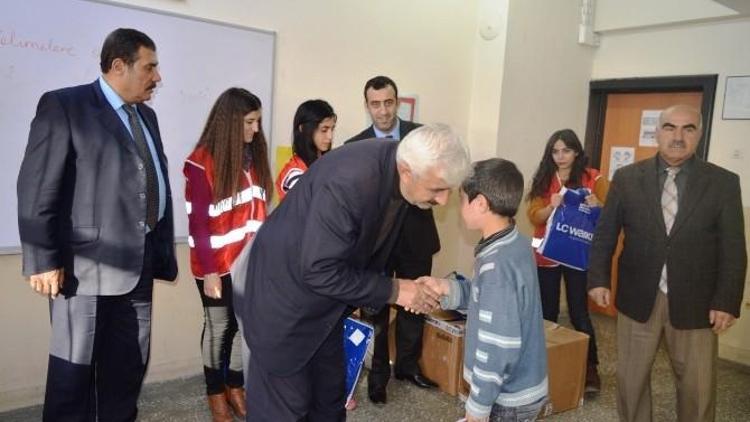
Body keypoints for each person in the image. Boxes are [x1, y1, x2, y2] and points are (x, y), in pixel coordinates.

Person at [239, 123, 471, 420]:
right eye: (437, 189)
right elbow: (319, 269)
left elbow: (368, 248)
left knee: (330, 404)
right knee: (285, 410)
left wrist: (410, 288)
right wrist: (395, 290)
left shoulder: (399, 173)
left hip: (326, 310)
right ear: (407, 172)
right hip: (283, 306)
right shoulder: (348, 182)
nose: (442, 201)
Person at [16, 28, 177, 421]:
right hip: (82, 272)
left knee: (127, 369)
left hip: (136, 267)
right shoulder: (65, 106)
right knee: (74, 375)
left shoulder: (146, 116)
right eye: (150, 67)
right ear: (118, 65)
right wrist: (41, 259)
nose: (157, 77)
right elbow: (37, 187)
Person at [588, 105, 747, 422]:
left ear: (699, 134)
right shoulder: (627, 178)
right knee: (631, 383)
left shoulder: (723, 183)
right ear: (657, 133)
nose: (678, 136)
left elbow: (733, 248)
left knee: (698, 388)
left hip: (697, 302)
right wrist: (598, 279)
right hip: (638, 296)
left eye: (688, 128)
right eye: (670, 127)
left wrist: (726, 301)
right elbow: (606, 233)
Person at [423, 158, 549, 422]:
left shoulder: (496, 265)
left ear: (480, 203)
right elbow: (490, 301)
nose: (458, 208)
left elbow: (497, 345)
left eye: (462, 199)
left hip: (507, 398)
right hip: (521, 387)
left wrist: (477, 409)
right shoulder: (515, 243)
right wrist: (448, 288)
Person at [346, 75, 440, 404]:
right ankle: (378, 376)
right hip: (377, 242)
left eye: (388, 103)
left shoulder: (422, 136)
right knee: (377, 308)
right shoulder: (355, 145)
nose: (383, 111)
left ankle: (407, 366)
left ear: (397, 102)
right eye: (376, 104)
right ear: (367, 106)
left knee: (417, 303)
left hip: (416, 235)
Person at [184, 88, 272, 421]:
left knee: (241, 328)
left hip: (248, 263)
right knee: (218, 328)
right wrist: (208, 272)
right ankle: (215, 394)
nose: (255, 129)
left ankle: (236, 388)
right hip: (215, 265)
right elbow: (199, 225)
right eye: (249, 122)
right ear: (230, 121)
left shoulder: (254, 157)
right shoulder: (200, 162)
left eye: (258, 121)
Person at [526, 129, 607, 393]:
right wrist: (551, 206)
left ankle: (590, 370)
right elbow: (534, 216)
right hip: (547, 254)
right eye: (555, 151)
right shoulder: (544, 178)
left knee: (578, 313)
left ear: (576, 152)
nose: (560, 156)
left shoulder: (593, 177)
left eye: (566, 150)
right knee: (547, 313)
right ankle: (545, 366)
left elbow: (609, 215)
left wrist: (598, 206)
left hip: (576, 255)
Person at [276, 99, 336, 200]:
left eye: (332, 129)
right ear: (303, 129)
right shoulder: (294, 174)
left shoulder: (329, 163)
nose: (330, 136)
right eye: (324, 130)